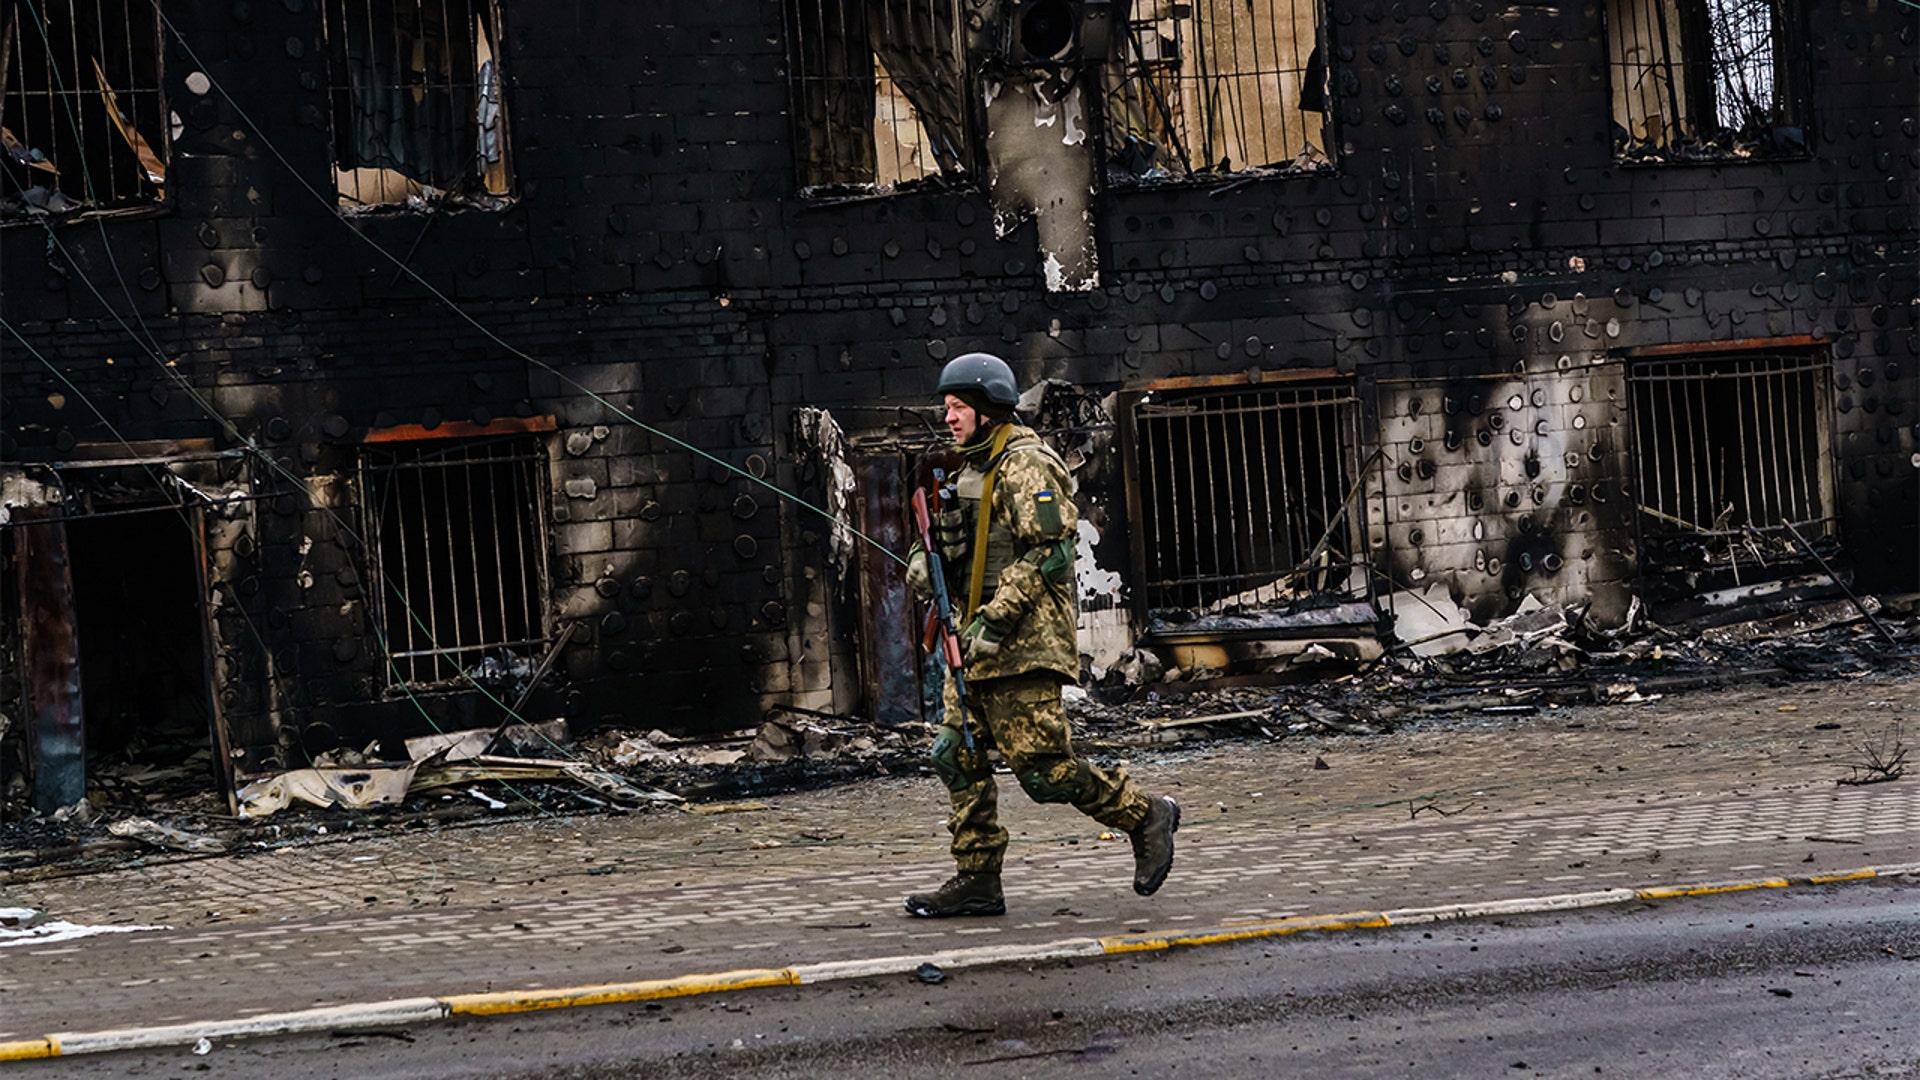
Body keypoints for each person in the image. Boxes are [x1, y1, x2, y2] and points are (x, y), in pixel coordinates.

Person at [902, 352, 1179, 918]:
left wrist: (996, 619)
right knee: (955, 754)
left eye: (958, 407)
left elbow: (1049, 553)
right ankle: (977, 877)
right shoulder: (969, 469)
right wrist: (921, 564)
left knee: (1045, 771)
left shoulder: (1027, 464)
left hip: (1019, 646)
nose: (949, 417)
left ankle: (1145, 814)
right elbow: (949, 542)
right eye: (948, 407)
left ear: (986, 409)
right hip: (972, 644)